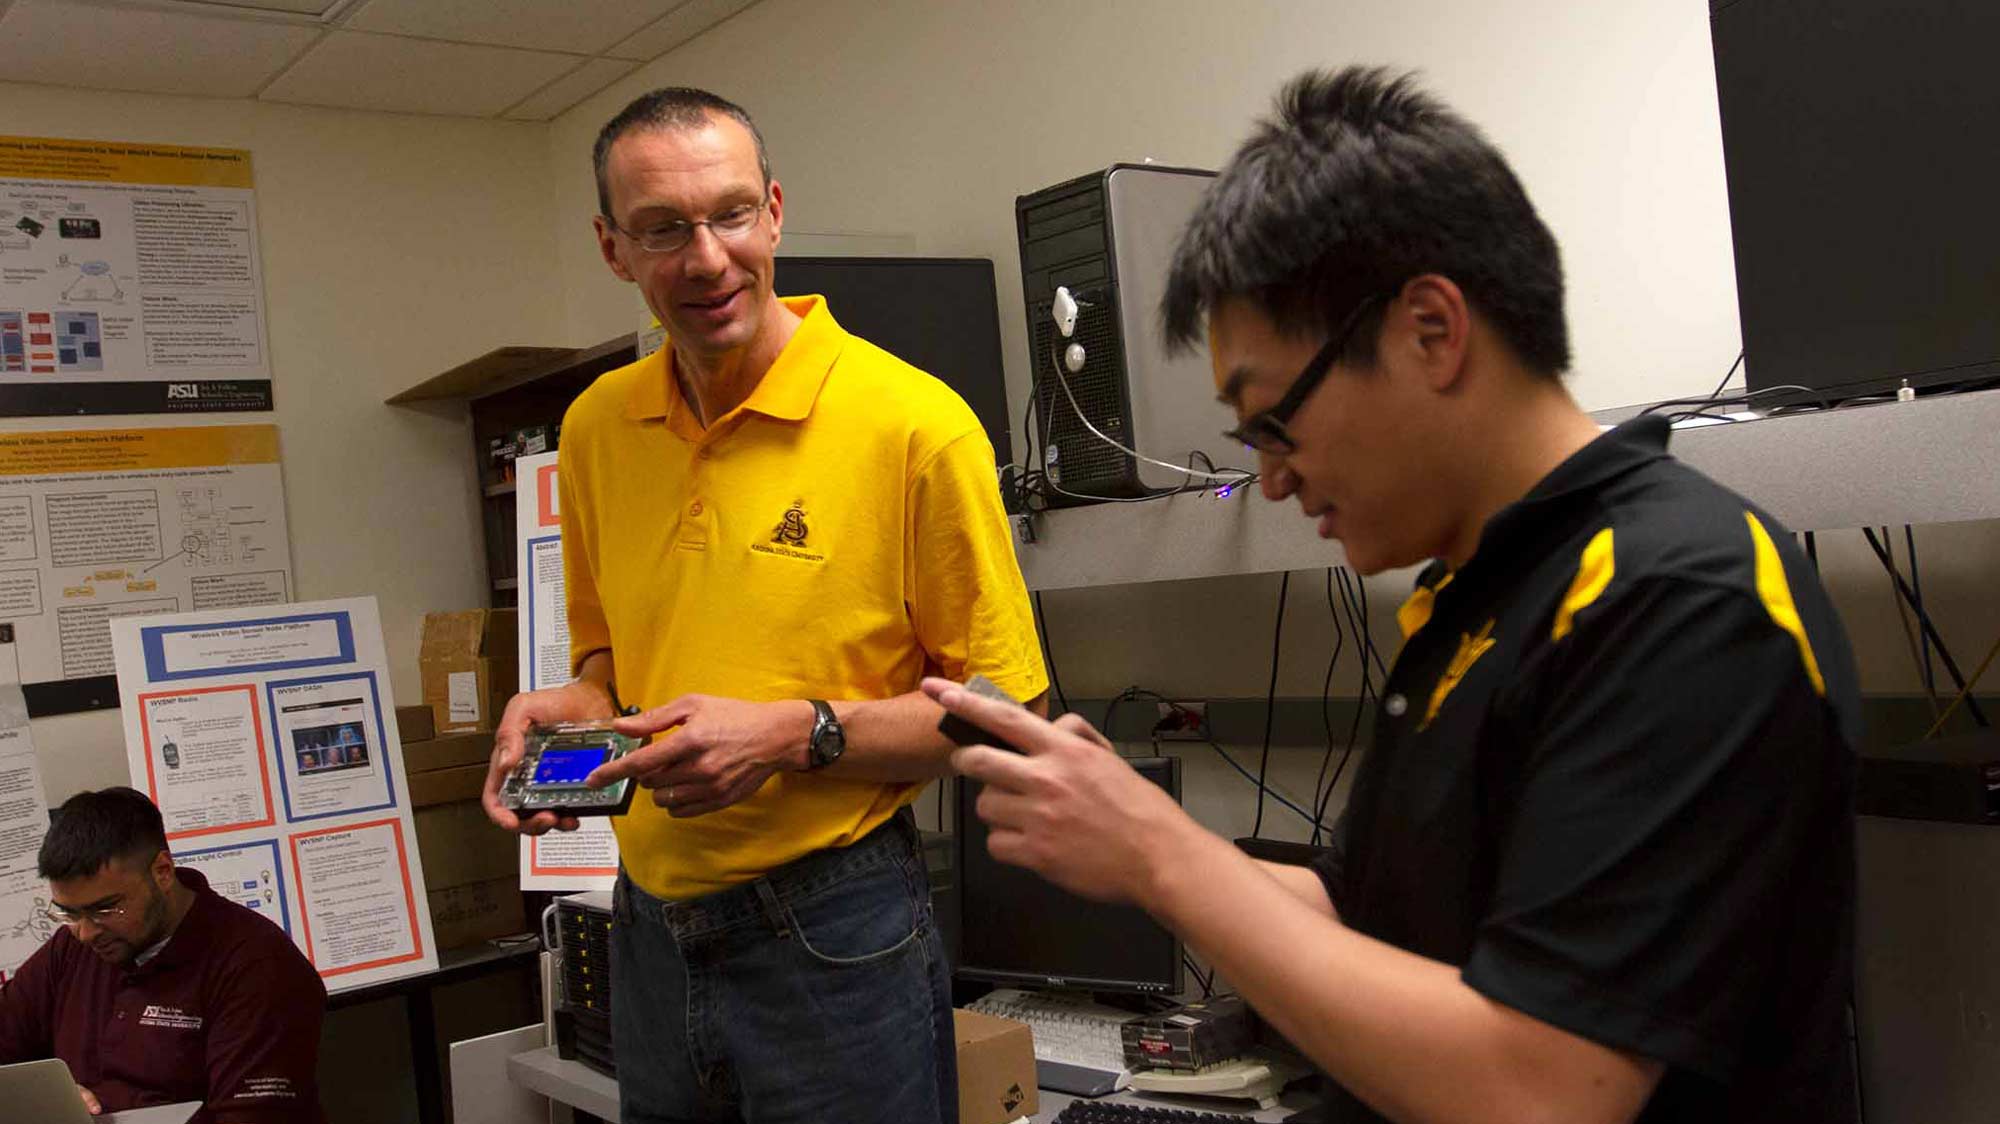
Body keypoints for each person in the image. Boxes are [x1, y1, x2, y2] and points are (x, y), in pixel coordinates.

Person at [928, 67, 1859, 1124]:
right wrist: (1134, 832)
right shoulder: (1471, 596)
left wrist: (1164, 854)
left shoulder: (1681, 596)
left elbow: (1544, 1087)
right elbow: (1365, 915)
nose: (1269, 478)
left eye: (1272, 420)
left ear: (1429, 328)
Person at [481, 87, 1047, 1124]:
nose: (706, 259)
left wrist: (798, 732)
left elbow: (1006, 715)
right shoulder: (598, 424)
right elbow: (610, 662)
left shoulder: (915, 426)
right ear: (612, 247)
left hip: (836, 931)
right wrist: (572, 706)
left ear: (774, 212)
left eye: (730, 214)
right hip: (647, 921)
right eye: (662, 229)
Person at [0, 787, 327, 1121]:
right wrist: (58, 1102)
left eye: (107, 908)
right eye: (68, 913)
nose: (85, 932)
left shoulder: (256, 966)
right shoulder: (72, 949)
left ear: (162, 872)